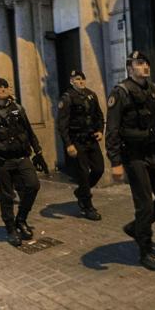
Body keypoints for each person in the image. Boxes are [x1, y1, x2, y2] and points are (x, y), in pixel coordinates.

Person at [105, 51, 155, 271]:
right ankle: (145, 251)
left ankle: (136, 227)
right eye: (139, 63)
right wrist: (115, 161)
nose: (145, 66)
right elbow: (112, 129)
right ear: (130, 68)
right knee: (145, 204)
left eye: (146, 63)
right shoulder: (121, 92)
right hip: (134, 156)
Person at [0, 78, 43, 247]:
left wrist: (38, 152)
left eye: (5, 86)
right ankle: (11, 228)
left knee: (33, 186)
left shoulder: (18, 108)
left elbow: (29, 131)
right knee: (7, 195)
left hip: (21, 157)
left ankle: (21, 219)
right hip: (2, 161)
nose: (3, 89)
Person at [57, 69, 104, 220]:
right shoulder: (67, 98)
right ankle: (87, 206)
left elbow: (99, 115)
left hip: (91, 138)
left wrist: (100, 130)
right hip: (77, 141)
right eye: (77, 79)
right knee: (83, 173)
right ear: (72, 81)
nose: (81, 81)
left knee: (98, 169)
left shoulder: (91, 95)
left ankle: (81, 192)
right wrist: (68, 144)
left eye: (82, 79)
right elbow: (62, 124)